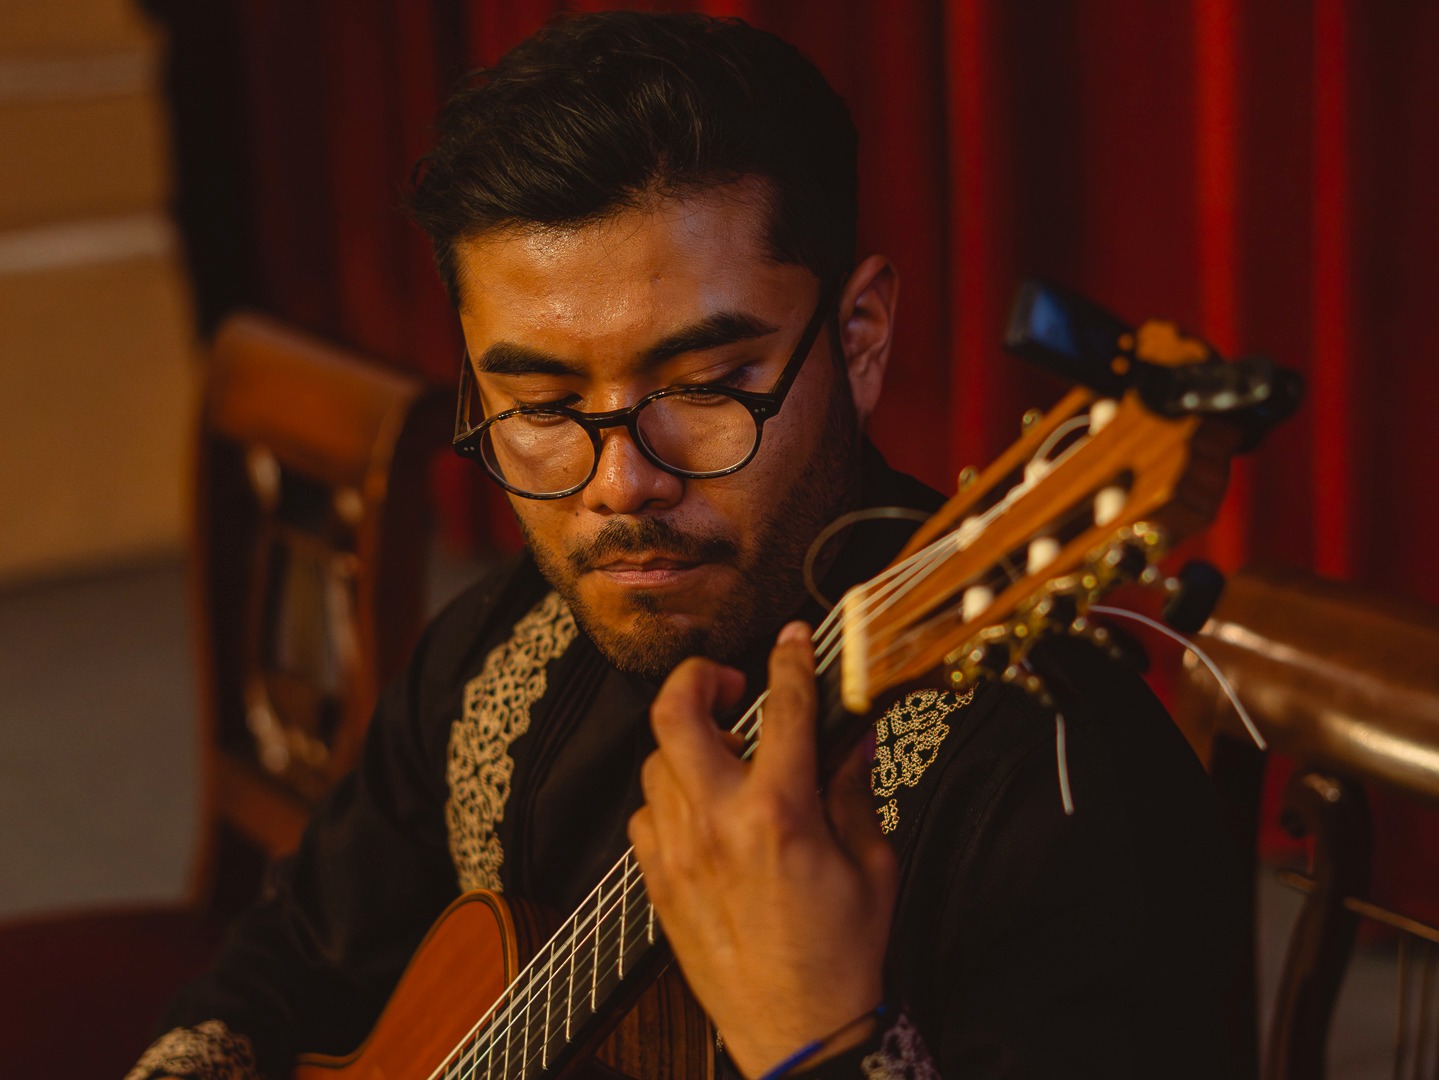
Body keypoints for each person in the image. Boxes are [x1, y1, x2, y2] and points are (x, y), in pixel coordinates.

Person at [128, 11, 1243, 1080]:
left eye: (706, 385)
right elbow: (299, 950)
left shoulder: (1061, 791)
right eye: (539, 405)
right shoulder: (505, 654)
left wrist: (819, 1035)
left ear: (858, 339)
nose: (621, 485)